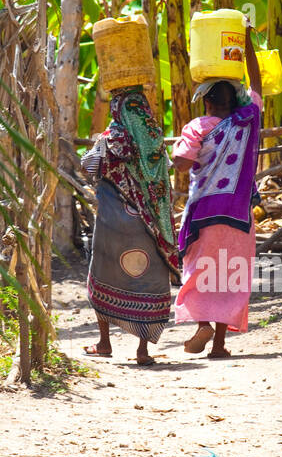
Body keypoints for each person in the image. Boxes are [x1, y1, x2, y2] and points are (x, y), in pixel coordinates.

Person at [171, 21, 263, 359]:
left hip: (204, 214)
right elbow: (257, 84)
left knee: (201, 272)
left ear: (206, 102)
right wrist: (247, 41)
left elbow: (182, 162)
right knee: (230, 275)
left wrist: (177, 159)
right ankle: (220, 344)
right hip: (239, 215)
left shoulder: (198, 126)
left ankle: (203, 323)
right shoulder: (248, 120)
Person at [81, 84, 181, 366]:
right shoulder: (154, 140)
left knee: (104, 274)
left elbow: (89, 168)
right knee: (148, 279)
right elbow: (163, 184)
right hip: (149, 227)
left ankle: (104, 343)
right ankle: (142, 350)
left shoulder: (109, 139)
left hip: (112, 223)